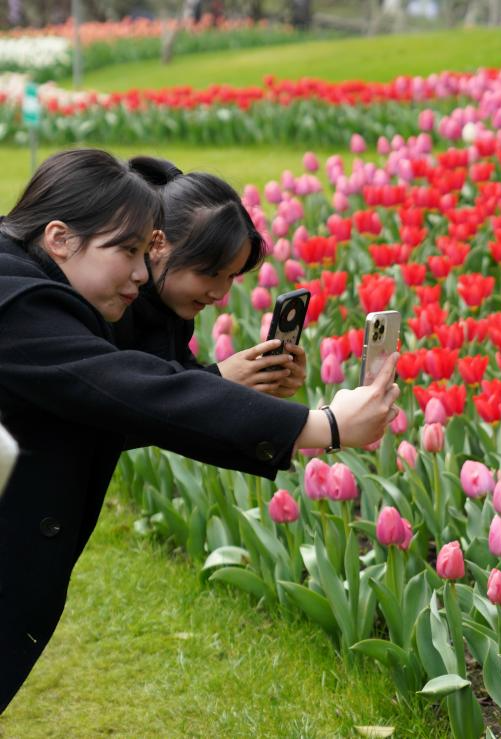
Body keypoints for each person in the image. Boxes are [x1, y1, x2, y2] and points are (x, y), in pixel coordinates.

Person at [0, 148, 401, 713]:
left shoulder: (54, 291)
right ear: (61, 237)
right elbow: (132, 389)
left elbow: (115, 400)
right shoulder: (17, 304)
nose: (141, 273)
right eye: (131, 252)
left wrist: (221, 381)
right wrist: (327, 426)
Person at [112, 158, 306, 399]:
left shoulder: (170, 306)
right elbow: (133, 404)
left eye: (231, 275)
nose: (219, 292)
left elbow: (180, 381)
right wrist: (221, 378)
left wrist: (258, 381)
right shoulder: (116, 306)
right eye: (210, 272)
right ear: (157, 244)